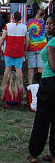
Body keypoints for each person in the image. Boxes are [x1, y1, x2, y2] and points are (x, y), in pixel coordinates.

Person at [28, 14, 55, 163]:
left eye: (52, 24)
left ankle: (34, 152)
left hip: (49, 83)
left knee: (42, 120)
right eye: (47, 23)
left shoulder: (52, 44)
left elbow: (53, 66)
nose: (48, 26)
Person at [0, 11, 29, 90]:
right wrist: (25, 50)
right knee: (18, 69)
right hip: (19, 50)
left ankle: (3, 85)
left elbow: (3, 38)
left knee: (7, 68)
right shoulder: (25, 27)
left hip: (9, 50)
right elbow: (27, 40)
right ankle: (21, 86)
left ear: (13, 17)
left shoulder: (8, 26)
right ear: (21, 18)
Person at [26, 9, 47, 84]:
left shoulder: (29, 22)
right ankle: (40, 84)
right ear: (44, 15)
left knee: (31, 67)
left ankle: (30, 84)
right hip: (42, 47)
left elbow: (27, 34)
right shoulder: (45, 23)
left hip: (31, 47)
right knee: (40, 68)